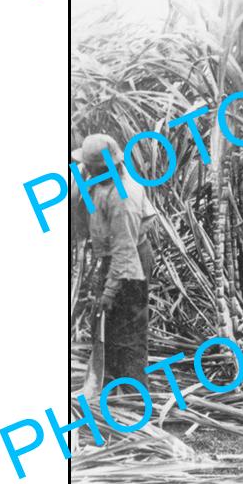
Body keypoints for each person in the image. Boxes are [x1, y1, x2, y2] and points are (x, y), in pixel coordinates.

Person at [74, 134, 158, 392]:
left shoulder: (124, 199)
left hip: (131, 262)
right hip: (115, 257)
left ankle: (133, 395)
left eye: (88, 166)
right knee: (106, 323)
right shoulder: (100, 179)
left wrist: (110, 291)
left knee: (128, 329)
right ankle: (108, 382)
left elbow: (125, 253)